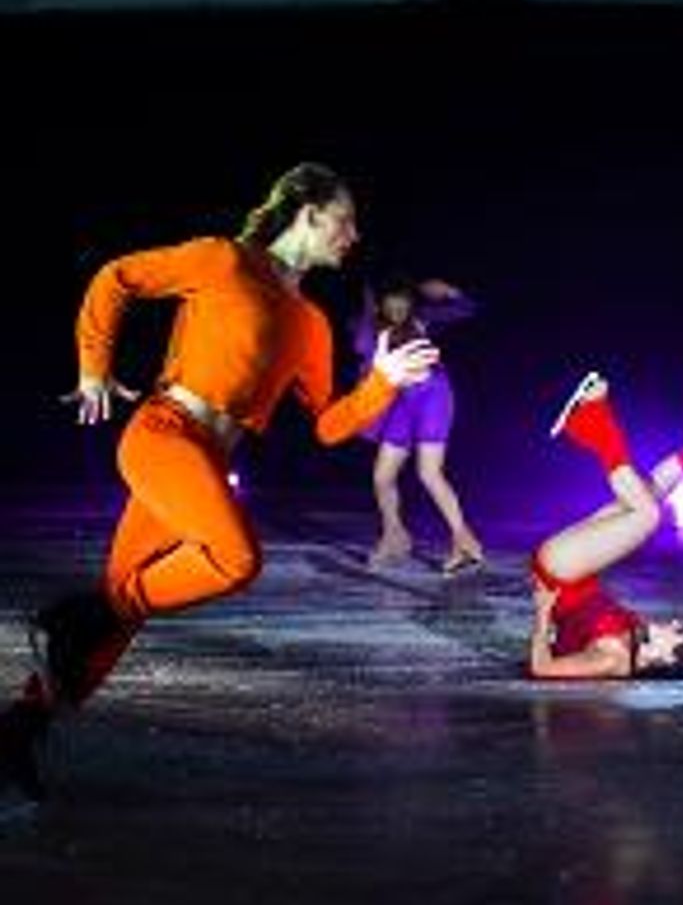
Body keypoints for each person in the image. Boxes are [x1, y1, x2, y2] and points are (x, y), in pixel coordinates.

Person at [14, 162, 438, 759]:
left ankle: (21, 728)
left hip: (206, 463)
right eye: (345, 220)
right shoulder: (224, 261)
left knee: (122, 608)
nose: (354, 235)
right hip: (163, 436)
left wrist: (382, 382)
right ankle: (77, 618)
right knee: (235, 560)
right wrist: (93, 370)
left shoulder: (312, 325)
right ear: (309, 213)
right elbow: (116, 278)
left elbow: (327, 425)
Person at [528, 371, 683, 680]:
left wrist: (542, 613)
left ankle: (590, 417)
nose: (675, 622)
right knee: (652, 491)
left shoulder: (613, 659)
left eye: (681, 631)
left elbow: (542, 669)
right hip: (578, 571)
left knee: (648, 515)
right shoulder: (636, 641)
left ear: (668, 657)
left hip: (560, 573)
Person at [352, 275, 486, 574]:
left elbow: (467, 308)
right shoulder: (370, 327)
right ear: (381, 304)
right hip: (400, 405)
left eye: (403, 300)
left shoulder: (422, 320)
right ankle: (394, 536)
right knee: (381, 477)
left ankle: (464, 541)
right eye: (391, 301)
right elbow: (364, 356)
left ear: (411, 302)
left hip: (432, 397)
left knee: (429, 473)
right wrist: (369, 314)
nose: (398, 306)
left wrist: (451, 291)